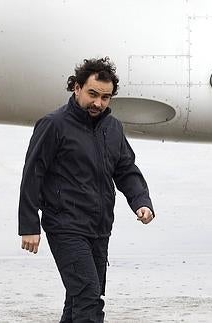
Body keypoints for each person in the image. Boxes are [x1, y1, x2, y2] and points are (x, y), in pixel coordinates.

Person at [18, 57, 155, 322]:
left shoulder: (112, 128)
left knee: (79, 299)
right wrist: (29, 225)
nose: (98, 103)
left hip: (100, 226)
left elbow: (126, 170)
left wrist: (141, 201)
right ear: (76, 88)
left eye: (105, 97)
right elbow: (33, 174)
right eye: (92, 94)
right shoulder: (53, 124)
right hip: (65, 224)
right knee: (88, 296)